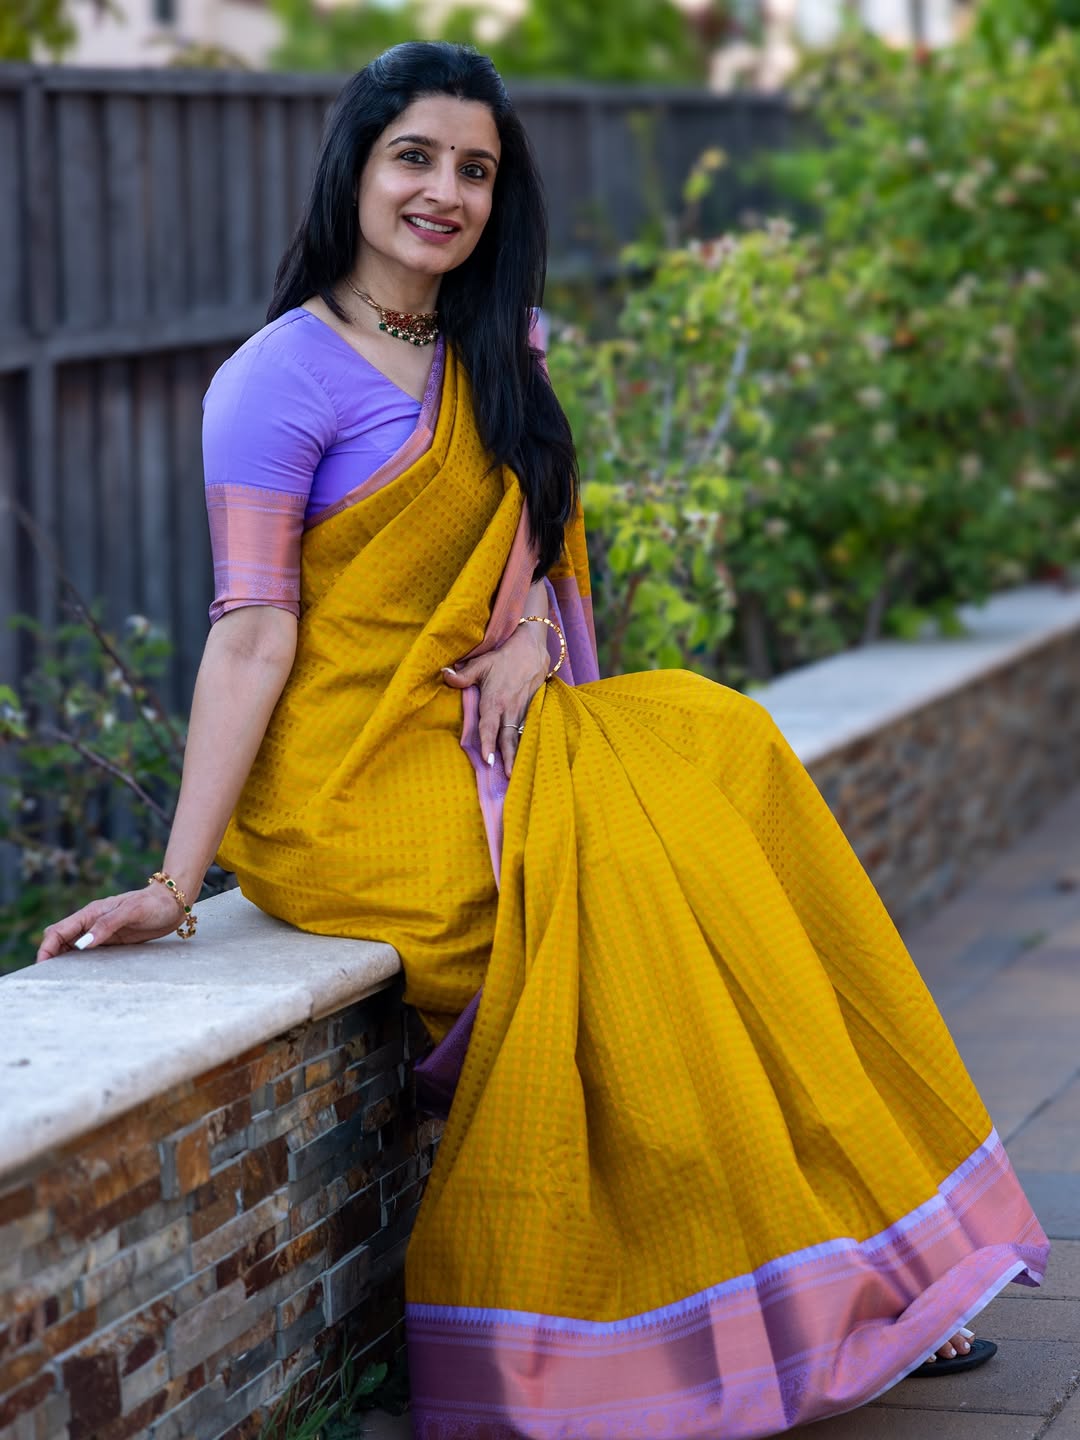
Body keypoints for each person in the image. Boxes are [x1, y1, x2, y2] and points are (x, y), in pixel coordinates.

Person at [36, 41, 1048, 1439]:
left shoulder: (496, 346)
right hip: (355, 781)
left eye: (475, 169)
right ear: (354, 170)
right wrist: (174, 881)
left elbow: (542, 550)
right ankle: (784, 1298)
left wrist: (529, 642)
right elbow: (254, 633)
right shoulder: (275, 379)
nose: (443, 192)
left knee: (727, 747)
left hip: (498, 723)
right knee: (638, 894)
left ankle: (860, 1258)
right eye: (415, 157)